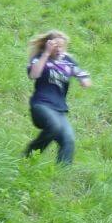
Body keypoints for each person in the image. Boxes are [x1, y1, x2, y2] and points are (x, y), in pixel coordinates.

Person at [24, 30, 91, 165]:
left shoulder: (68, 62)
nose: (59, 49)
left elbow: (84, 77)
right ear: (48, 45)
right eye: (56, 46)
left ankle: (62, 174)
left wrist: (84, 80)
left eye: (62, 46)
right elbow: (33, 75)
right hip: (41, 105)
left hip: (59, 110)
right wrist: (46, 54)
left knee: (69, 140)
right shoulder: (39, 58)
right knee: (54, 127)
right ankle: (28, 157)